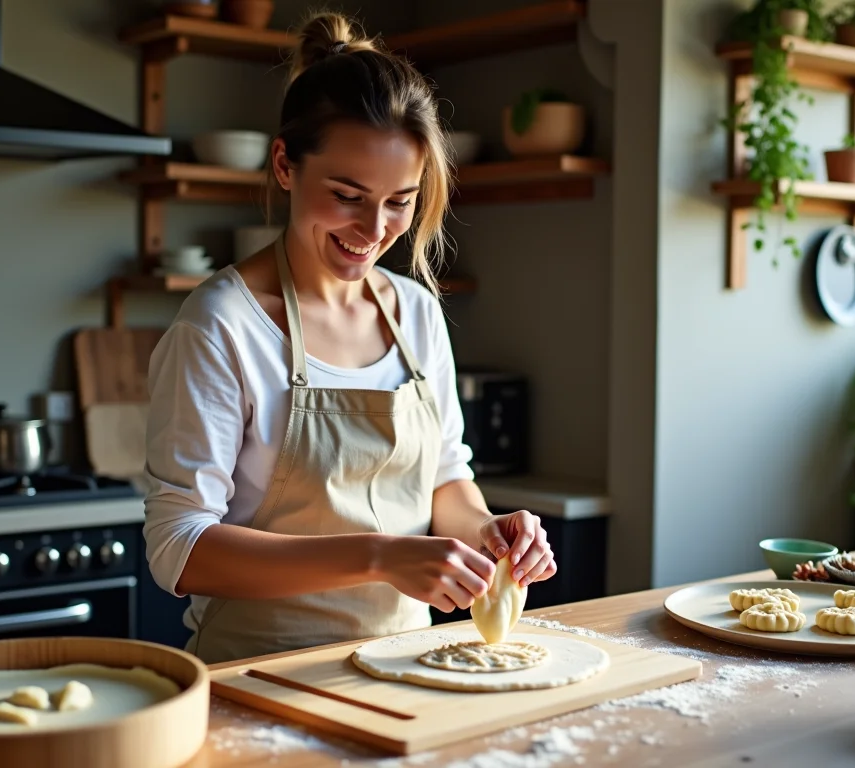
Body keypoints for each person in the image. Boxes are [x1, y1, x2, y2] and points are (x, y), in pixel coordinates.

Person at [141, 10, 557, 665]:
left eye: (400, 201)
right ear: (284, 164)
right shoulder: (220, 326)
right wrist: (380, 554)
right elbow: (180, 548)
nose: (374, 228)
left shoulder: (416, 311)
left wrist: (487, 534)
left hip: (410, 665)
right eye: (347, 195)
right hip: (263, 676)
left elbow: (446, 479)